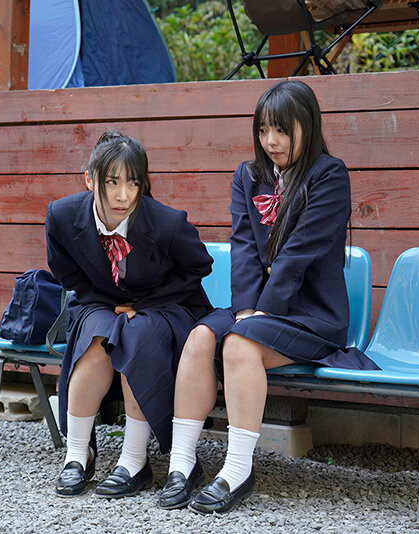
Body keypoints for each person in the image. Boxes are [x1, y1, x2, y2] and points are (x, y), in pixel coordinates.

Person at [157, 80, 380, 513]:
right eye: (263, 130)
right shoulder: (248, 176)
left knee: (240, 344)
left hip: (312, 315)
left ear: (308, 126)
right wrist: (245, 310)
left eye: (281, 130)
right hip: (257, 308)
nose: (271, 141)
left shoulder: (329, 175)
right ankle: (182, 464)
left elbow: (299, 253)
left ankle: (237, 470)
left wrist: (261, 313)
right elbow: (243, 245)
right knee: (200, 336)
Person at [45, 131, 213, 499]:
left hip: (166, 306)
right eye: (113, 182)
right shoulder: (62, 215)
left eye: (134, 183)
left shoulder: (167, 222)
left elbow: (199, 266)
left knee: (137, 334)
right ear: (90, 180)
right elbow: (65, 270)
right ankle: (77, 455)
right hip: (101, 302)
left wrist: (145, 304)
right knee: (96, 338)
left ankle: (134, 461)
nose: (124, 195)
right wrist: (104, 301)